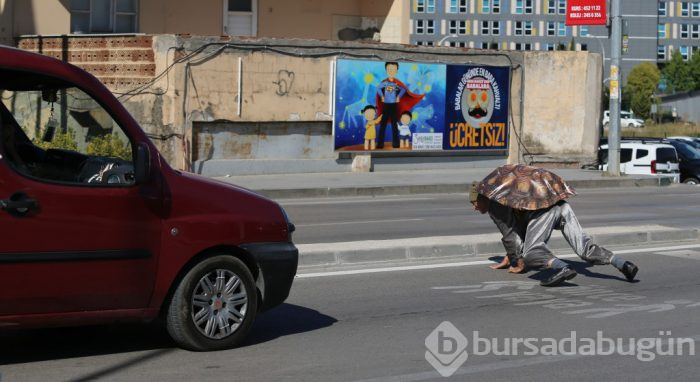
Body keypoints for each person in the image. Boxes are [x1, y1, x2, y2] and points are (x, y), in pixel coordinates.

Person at [469, 182, 639, 287]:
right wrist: (510, 256)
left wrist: (519, 263)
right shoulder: (504, 196)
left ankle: (563, 268)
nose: (474, 207)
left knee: (532, 253)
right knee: (585, 248)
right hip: (561, 206)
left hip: (544, 212)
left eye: (474, 202)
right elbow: (515, 231)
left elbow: (510, 235)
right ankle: (623, 265)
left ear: (484, 198)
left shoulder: (495, 206)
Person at [375, 62, 424, 149]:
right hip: (386, 105)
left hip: (394, 106)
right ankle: (380, 144)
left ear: (396, 71)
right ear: (386, 70)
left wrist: (398, 96)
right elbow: (378, 88)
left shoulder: (397, 84)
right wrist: (382, 96)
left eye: (393, 70)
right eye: (389, 69)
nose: (391, 71)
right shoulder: (385, 83)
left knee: (395, 124)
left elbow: (403, 90)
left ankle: (396, 143)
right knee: (383, 124)